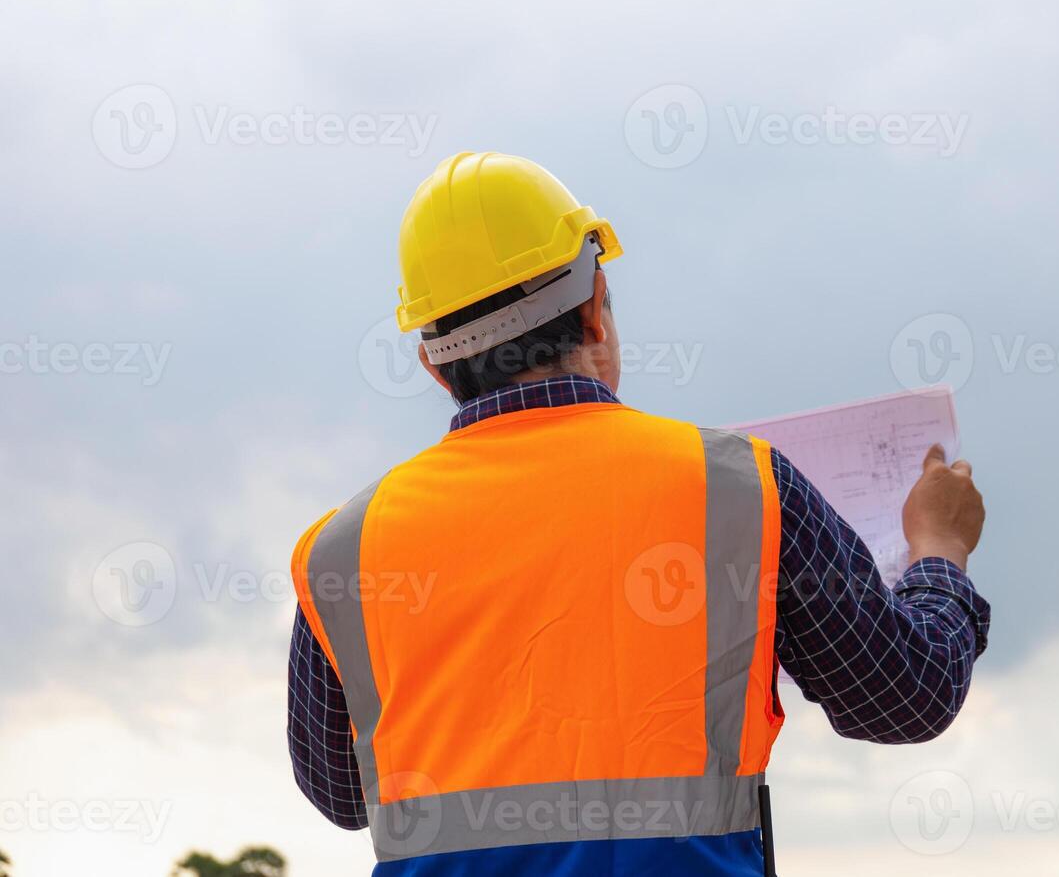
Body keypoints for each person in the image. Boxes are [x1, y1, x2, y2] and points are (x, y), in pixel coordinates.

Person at [287, 152, 991, 876]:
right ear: (595, 310)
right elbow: (906, 697)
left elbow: (343, 792)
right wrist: (938, 550)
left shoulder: (341, 551)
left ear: (434, 365)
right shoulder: (742, 488)